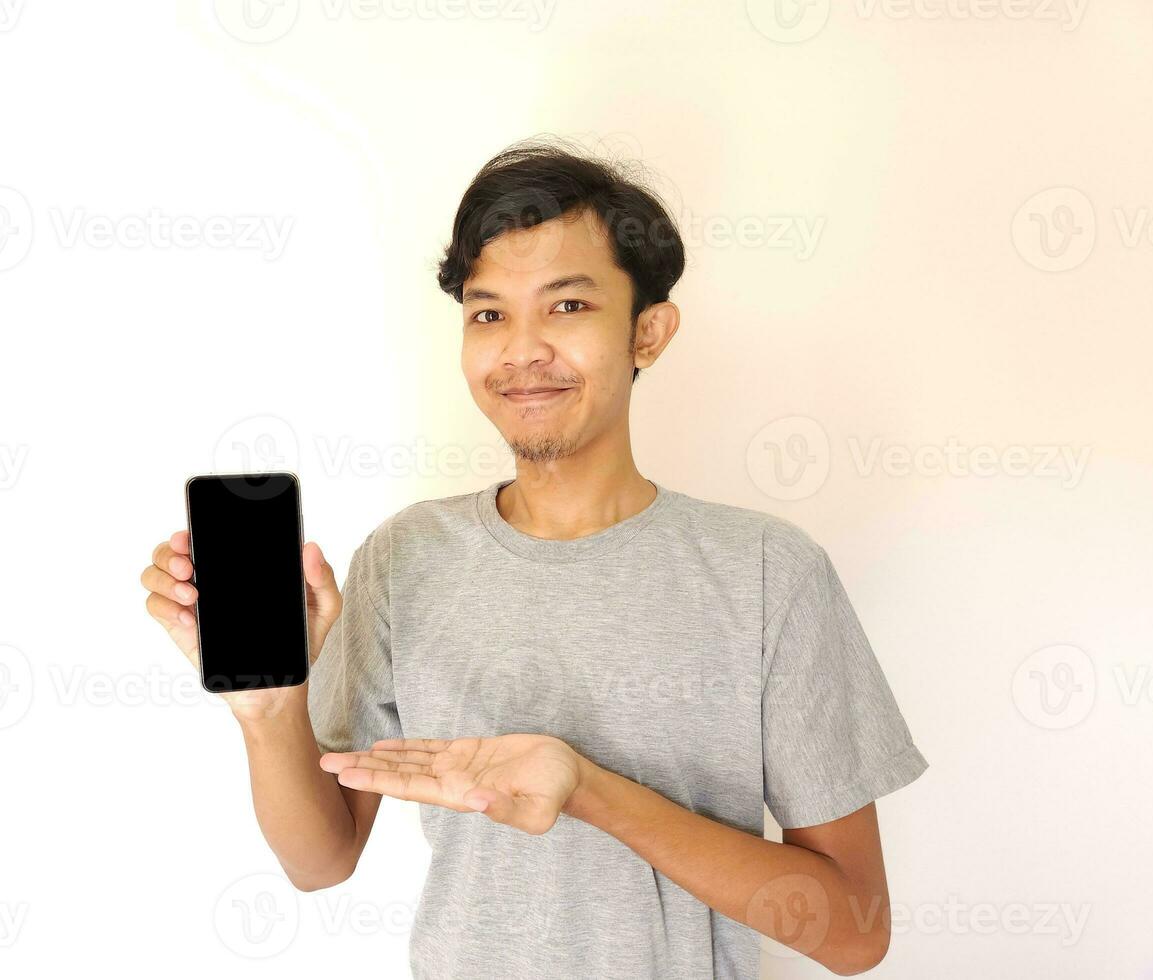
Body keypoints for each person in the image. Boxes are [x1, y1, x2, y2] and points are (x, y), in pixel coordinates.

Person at [141, 136, 928, 979]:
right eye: (488, 314)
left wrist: (589, 791)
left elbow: (853, 931)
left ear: (648, 333)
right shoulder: (405, 557)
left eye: (566, 306)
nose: (519, 351)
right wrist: (269, 716)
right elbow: (320, 860)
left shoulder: (769, 572)